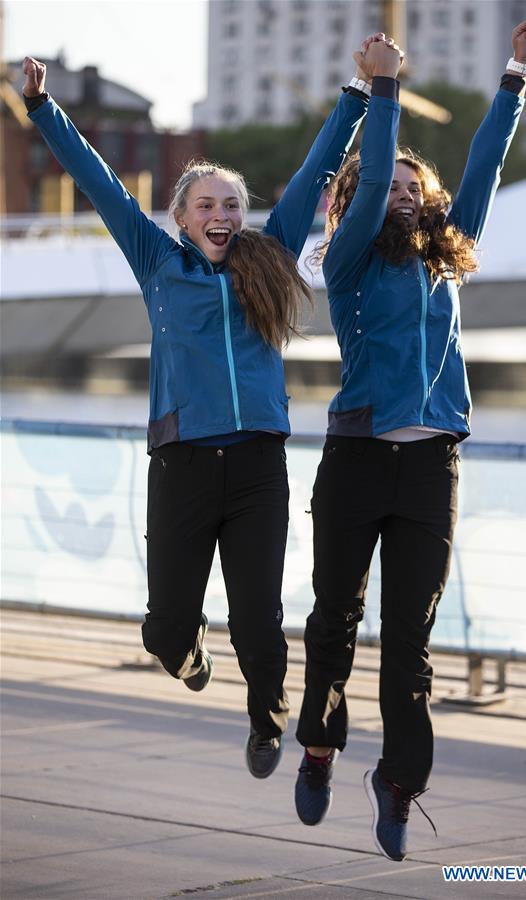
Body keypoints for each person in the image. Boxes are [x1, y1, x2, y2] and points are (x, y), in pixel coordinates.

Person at [22, 47, 373, 779]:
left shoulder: (270, 254)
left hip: (255, 465)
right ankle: (188, 654)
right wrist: (41, 110)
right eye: (206, 205)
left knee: (259, 619)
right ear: (181, 218)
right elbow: (98, 181)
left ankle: (267, 723)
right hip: (181, 463)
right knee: (164, 629)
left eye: (231, 204)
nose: (221, 214)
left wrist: (358, 92)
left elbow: (315, 170)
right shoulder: (158, 262)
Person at [294, 21, 526, 858]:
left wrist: (515, 73)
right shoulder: (350, 260)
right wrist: (387, 92)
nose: (401, 193)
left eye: (410, 186)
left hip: (432, 464)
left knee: (410, 638)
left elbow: (485, 168)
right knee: (335, 619)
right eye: (386, 184)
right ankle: (321, 746)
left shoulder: (447, 253)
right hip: (358, 459)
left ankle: (399, 784)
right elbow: (363, 199)